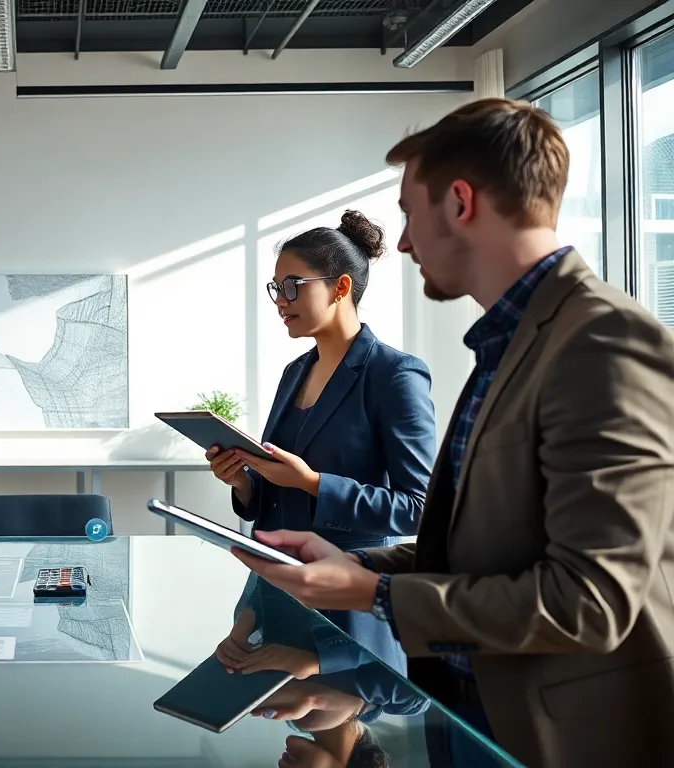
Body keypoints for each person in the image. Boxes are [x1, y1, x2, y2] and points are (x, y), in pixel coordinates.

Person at [230, 98, 674, 768]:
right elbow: (483, 551)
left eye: (411, 214)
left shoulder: (602, 340)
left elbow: (590, 602)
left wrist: (373, 592)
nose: (405, 242)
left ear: (461, 202)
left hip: (556, 734)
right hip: (473, 709)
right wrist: (359, 566)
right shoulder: (510, 344)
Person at [207, 210, 435, 673]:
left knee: (344, 707)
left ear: (340, 287)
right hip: (275, 599)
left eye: (292, 286)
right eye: (276, 288)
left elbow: (418, 508)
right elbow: (275, 494)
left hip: (351, 612)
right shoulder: (295, 372)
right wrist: (244, 483)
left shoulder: (394, 375)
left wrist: (312, 482)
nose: (280, 300)